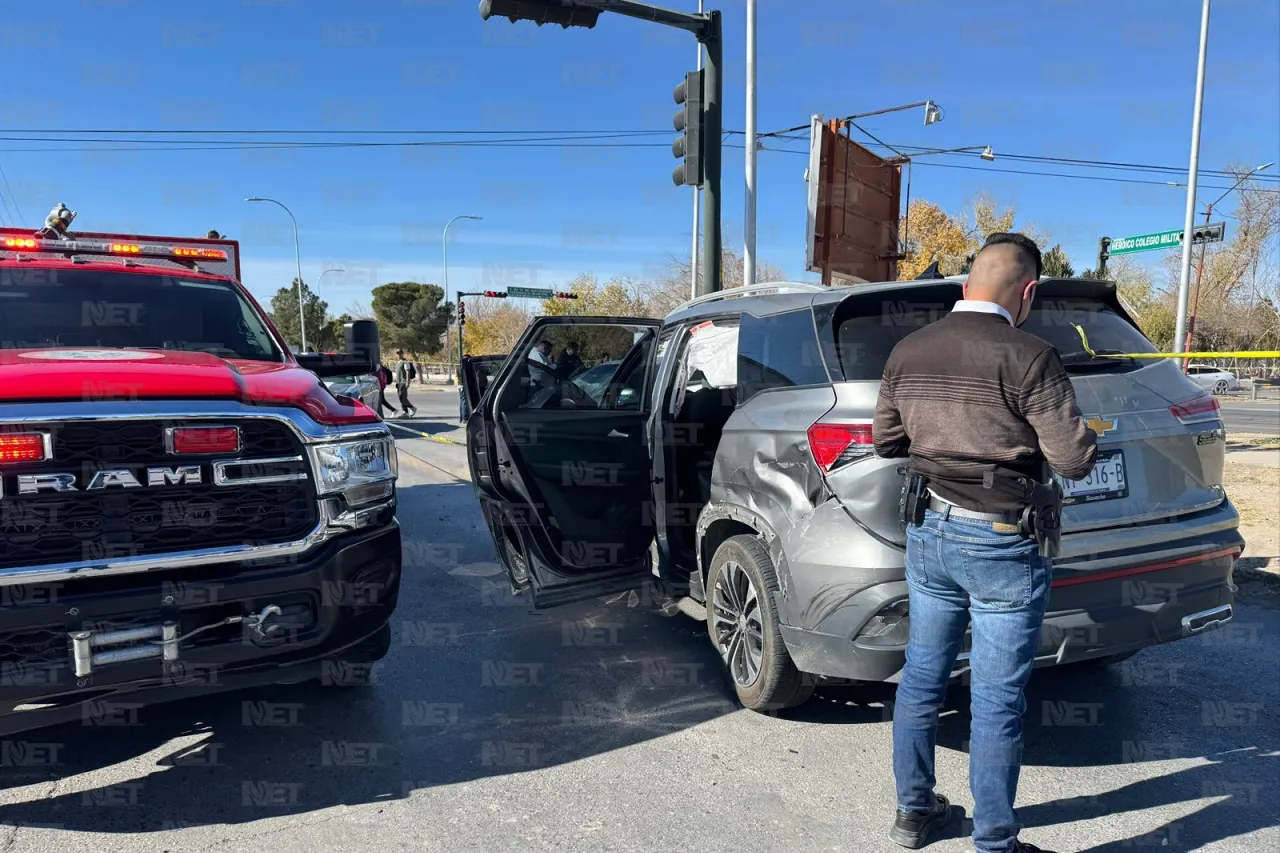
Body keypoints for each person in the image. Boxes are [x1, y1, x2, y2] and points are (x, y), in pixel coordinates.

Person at [873, 233, 1098, 853]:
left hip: (928, 531)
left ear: (968, 282)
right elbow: (1073, 460)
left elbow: (886, 443)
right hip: (1002, 540)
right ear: (1027, 292)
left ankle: (913, 815)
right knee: (997, 696)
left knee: (922, 675)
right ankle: (995, 842)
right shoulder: (1030, 356)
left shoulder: (908, 350)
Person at [394, 349, 417, 417]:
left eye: (400, 353)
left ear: (402, 354)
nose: (398, 355)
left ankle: (411, 408)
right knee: (401, 398)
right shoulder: (398, 362)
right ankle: (406, 412)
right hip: (398, 382)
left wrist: (408, 382)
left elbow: (407, 372)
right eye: (397, 353)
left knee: (402, 397)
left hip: (403, 382)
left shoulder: (405, 362)